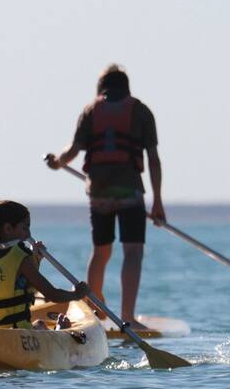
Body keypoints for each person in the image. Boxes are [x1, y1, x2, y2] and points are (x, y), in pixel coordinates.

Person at [46, 64, 163, 328]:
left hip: (99, 193)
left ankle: (93, 311)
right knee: (132, 252)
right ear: (127, 86)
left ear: (101, 88)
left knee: (101, 252)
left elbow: (73, 150)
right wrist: (157, 201)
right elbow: (153, 160)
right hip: (129, 192)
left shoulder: (90, 111)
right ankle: (128, 317)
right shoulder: (141, 112)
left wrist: (57, 163)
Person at [0, 200, 88, 329]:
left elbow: (12, 280)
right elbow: (51, 294)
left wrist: (35, 258)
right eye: (24, 228)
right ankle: (60, 328)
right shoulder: (20, 259)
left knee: (38, 324)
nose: (28, 234)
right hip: (11, 332)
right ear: (8, 229)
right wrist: (77, 295)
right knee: (41, 325)